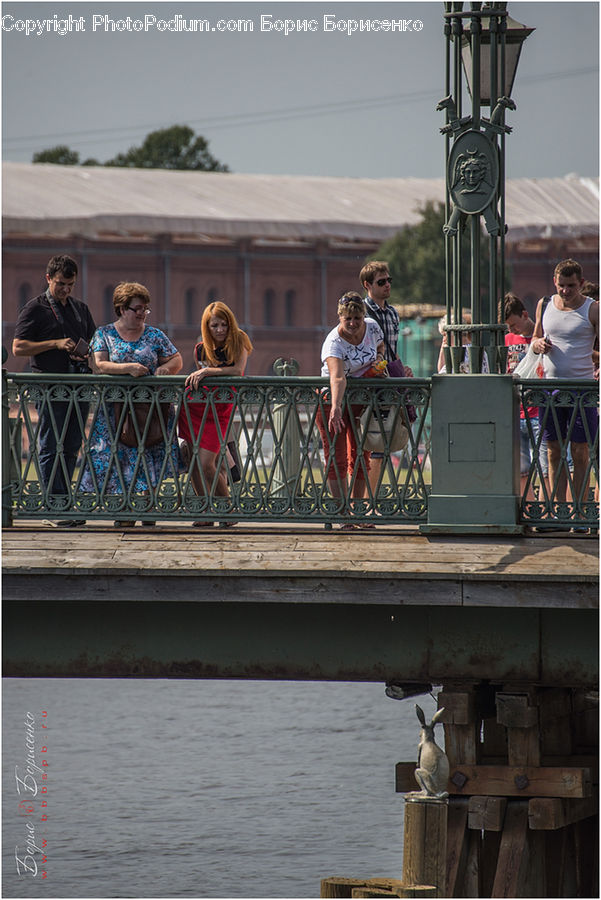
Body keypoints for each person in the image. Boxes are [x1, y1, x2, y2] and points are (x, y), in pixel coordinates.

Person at [79, 282, 183, 527]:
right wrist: (129, 369)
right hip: (115, 410)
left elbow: (177, 358)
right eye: (137, 308)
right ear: (122, 308)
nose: (142, 313)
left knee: (150, 452)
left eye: (145, 309)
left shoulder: (155, 335)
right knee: (119, 458)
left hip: (150, 409)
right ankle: (124, 509)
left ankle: (148, 507)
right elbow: (100, 364)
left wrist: (166, 369)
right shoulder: (105, 334)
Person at [12, 254, 96, 525]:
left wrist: (87, 354)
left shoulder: (80, 309)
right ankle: (52, 507)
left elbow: (94, 342)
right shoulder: (35, 308)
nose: (66, 289)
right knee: (51, 443)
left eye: (71, 284)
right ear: (48, 278)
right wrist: (55, 344)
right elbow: (18, 347)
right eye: (61, 283)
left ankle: (63, 503)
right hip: (49, 386)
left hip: (78, 385)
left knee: (71, 445)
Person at [532, 259, 599, 527]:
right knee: (553, 451)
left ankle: (580, 511)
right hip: (549, 388)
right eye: (561, 285)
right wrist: (537, 344)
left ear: (581, 284)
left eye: (571, 286)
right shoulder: (544, 304)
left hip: (581, 389)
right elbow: (535, 338)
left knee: (580, 451)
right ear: (554, 282)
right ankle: (559, 510)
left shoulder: (592, 309)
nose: (565, 291)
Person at [178, 301, 252, 527]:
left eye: (223, 324)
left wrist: (208, 370)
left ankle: (227, 509)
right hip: (196, 406)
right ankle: (205, 510)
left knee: (206, 462)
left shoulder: (240, 340)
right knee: (191, 456)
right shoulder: (201, 348)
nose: (220, 330)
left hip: (221, 407)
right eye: (214, 326)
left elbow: (238, 371)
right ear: (206, 327)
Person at [316, 292, 386, 530]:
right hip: (331, 401)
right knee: (336, 456)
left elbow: (380, 346)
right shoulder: (333, 342)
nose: (353, 324)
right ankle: (343, 514)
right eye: (348, 319)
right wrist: (335, 407)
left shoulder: (373, 328)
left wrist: (379, 359)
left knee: (360, 454)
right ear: (340, 317)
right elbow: (337, 378)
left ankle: (358, 511)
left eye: (357, 318)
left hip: (361, 400)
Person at [359, 260, 414, 497]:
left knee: (381, 444)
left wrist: (402, 367)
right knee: (365, 444)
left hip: (390, 382)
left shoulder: (392, 313)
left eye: (389, 280)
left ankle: (370, 501)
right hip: (368, 384)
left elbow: (392, 349)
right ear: (367, 285)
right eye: (381, 282)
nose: (387, 285)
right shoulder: (359, 312)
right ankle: (360, 503)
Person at [504, 293, 548, 500]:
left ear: (525, 314)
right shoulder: (506, 340)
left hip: (538, 410)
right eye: (509, 328)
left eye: (514, 325)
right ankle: (529, 509)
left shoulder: (540, 338)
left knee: (545, 465)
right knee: (521, 468)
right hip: (516, 410)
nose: (512, 330)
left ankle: (548, 510)